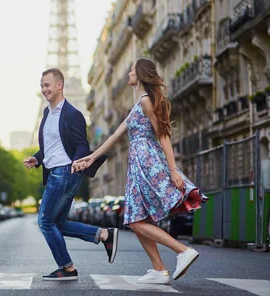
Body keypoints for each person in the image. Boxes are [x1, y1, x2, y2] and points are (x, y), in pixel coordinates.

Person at [72, 58, 207, 285]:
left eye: (132, 71)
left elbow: (164, 135)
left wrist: (173, 170)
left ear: (141, 75)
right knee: (137, 218)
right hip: (137, 163)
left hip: (147, 163)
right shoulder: (138, 105)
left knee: (135, 221)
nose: (128, 75)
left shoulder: (146, 102)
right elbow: (115, 136)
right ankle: (159, 269)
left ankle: (182, 250)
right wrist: (90, 158)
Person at [24, 68, 119, 281]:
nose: (44, 89)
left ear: (59, 85)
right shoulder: (47, 113)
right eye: (41, 86)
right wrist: (37, 158)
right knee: (57, 224)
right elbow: (51, 147)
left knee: (45, 222)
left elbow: (81, 145)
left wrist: (76, 162)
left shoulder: (73, 114)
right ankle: (104, 235)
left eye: (47, 85)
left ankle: (67, 267)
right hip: (56, 172)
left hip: (65, 172)